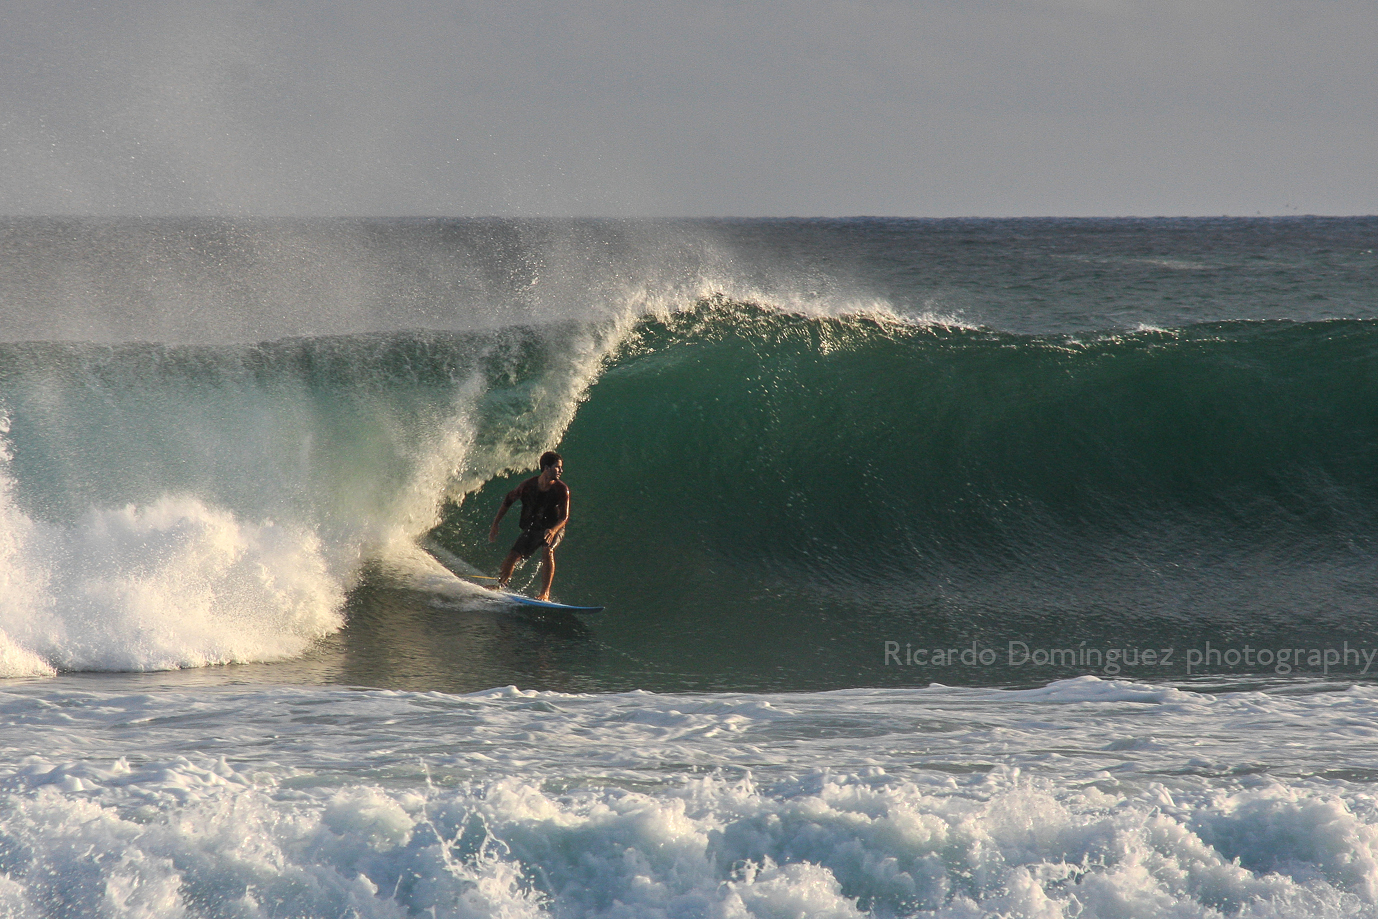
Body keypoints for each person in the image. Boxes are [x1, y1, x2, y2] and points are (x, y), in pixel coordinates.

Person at [488, 451, 570, 601]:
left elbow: (564, 517)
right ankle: (500, 585)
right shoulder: (528, 486)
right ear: (547, 468)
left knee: (547, 550)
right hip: (535, 526)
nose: (561, 471)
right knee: (513, 556)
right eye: (558, 467)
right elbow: (508, 500)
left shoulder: (562, 489)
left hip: (554, 527)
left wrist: (552, 530)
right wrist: (495, 524)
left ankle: (545, 593)